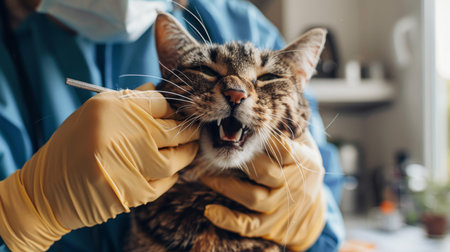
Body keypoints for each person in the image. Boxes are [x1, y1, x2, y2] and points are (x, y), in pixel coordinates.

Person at [0, 0, 345, 251]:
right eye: (210, 72)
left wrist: (311, 221)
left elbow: (328, 214)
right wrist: (25, 210)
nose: (237, 91)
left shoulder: (241, 24)